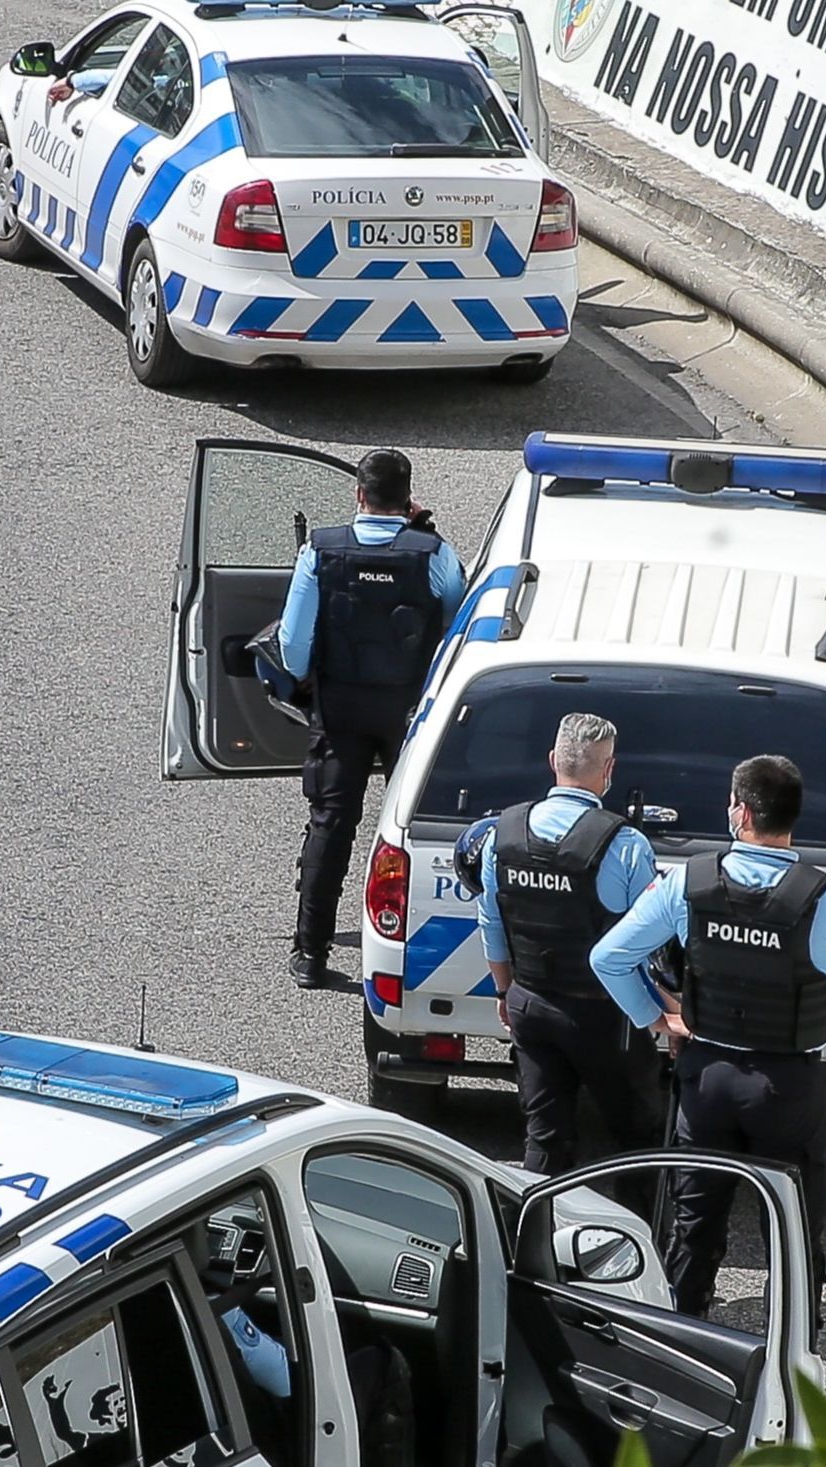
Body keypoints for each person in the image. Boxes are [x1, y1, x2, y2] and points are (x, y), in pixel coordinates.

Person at [588, 755, 826, 1326]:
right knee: (792, 1225)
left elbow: (609, 957)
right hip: (788, 1087)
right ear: (792, 817)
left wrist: (660, 1020)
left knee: (695, 1222)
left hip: (707, 1077)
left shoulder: (688, 884)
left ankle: (684, 1334)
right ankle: (794, 1344)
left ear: (741, 812)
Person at [278, 449, 469, 989]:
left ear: (358, 494)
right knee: (411, 825)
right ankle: (424, 945)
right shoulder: (435, 552)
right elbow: (456, 631)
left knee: (331, 824)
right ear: (408, 499)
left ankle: (311, 954)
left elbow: (292, 645)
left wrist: (307, 680)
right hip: (409, 714)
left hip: (340, 710)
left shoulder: (320, 550)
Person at [477, 713, 666, 1181]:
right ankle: (641, 1242)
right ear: (609, 771)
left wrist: (505, 991)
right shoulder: (625, 845)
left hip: (530, 1002)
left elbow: (492, 922)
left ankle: (531, 1245)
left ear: (551, 762)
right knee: (639, 1138)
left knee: (544, 1137)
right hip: (603, 1016)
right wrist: (665, 1013)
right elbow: (649, 945)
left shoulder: (502, 833)